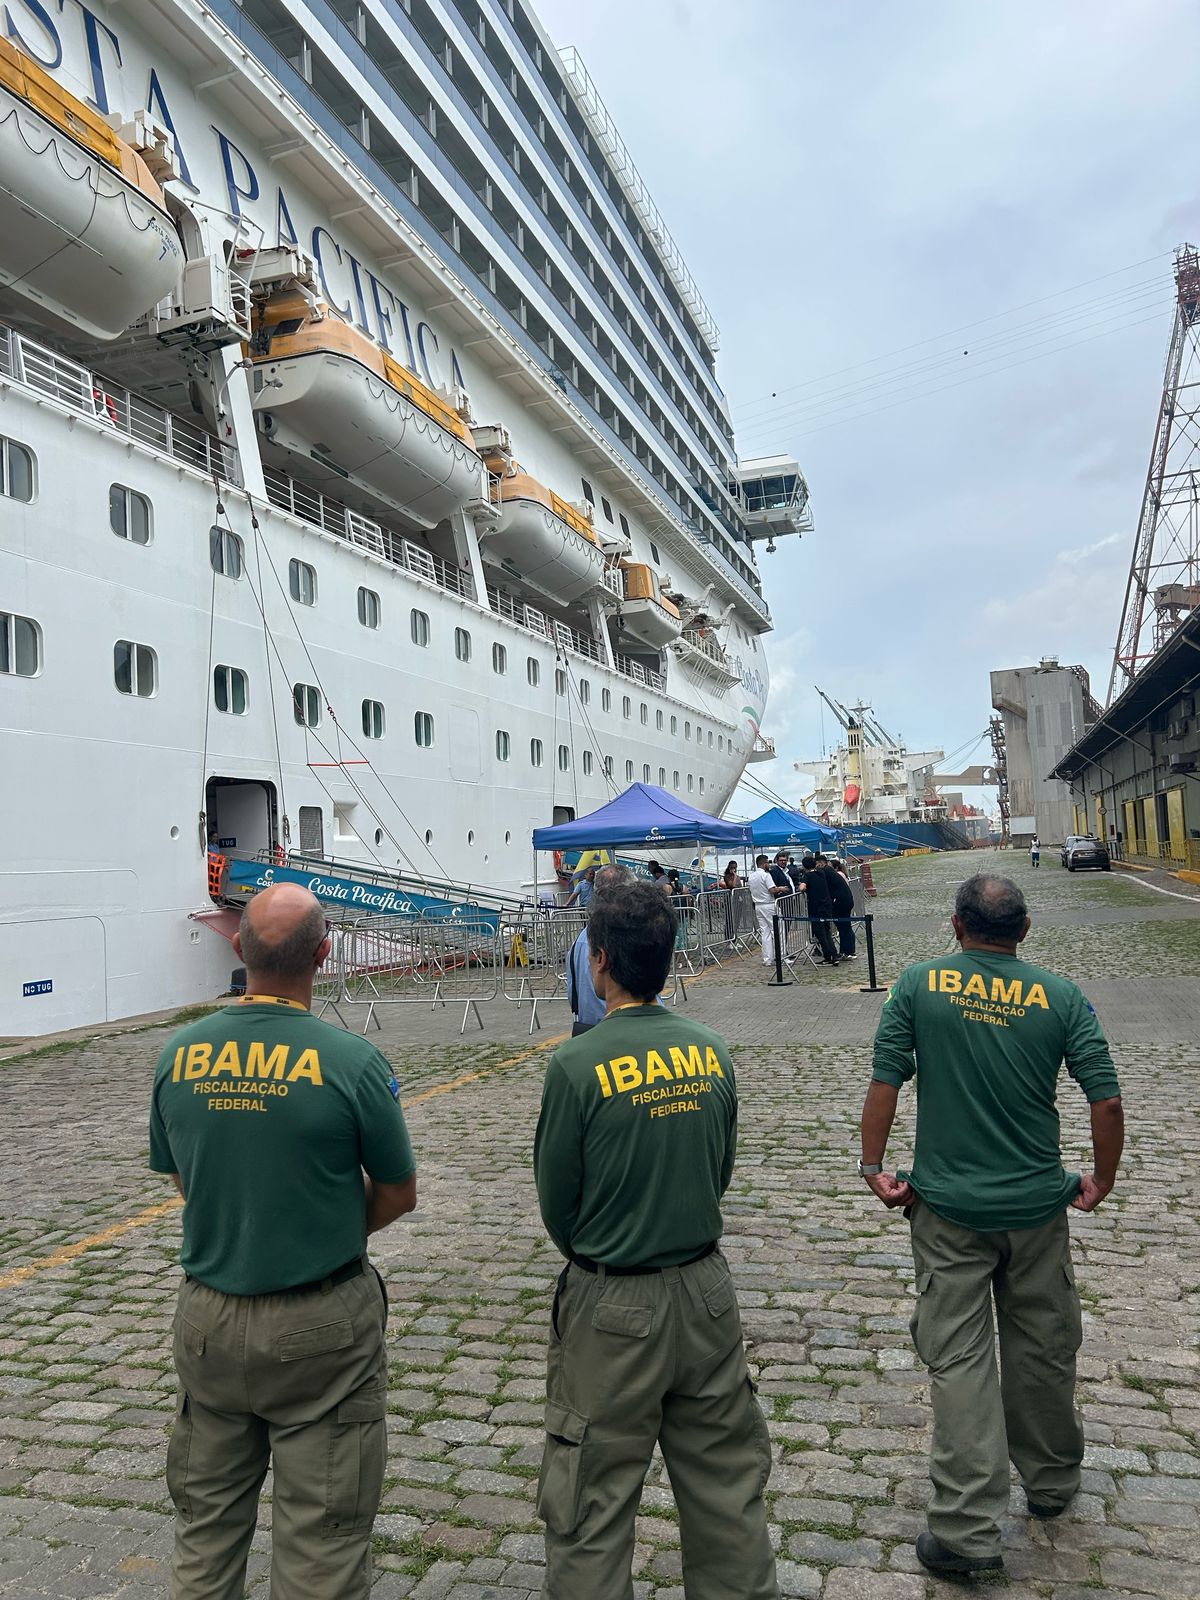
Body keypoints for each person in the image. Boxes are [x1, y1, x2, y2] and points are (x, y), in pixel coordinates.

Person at [149, 884, 418, 1600]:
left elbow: (185, 1178)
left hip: (207, 1319)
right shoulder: (351, 1062)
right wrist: (317, 1224)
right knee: (322, 1547)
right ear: (324, 956)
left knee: (204, 1534)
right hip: (319, 1325)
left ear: (238, 949)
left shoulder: (179, 1056)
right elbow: (397, 1191)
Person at [859, 872, 1123, 1579]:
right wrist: (1103, 1176)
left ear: (954, 925)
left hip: (947, 1210)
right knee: (1042, 1347)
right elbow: (1106, 1097)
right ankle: (1052, 1482)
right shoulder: (1060, 996)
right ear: (1026, 930)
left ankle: (969, 1529)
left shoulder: (916, 986)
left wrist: (873, 1165)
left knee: (961, 1361)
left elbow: (887, 1079)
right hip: (1037, 1207)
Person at [533, 880, 778, 1599]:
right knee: (726, 1483)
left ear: (598, 960)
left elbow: (558, 1202)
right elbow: (720, 1166)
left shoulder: (576, 1065)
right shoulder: (710, 1051)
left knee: (591, 1497)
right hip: (705, 1290)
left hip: (614, 1301)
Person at [566, 864, 632, 1034]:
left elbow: (573, 994)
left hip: (587, 1029)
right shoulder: (626, 935)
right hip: (622, 1031)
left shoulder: (579, 941)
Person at [747, 852, 787, 967]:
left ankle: (767, 958)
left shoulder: (752, 876)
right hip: (769, 904)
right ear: (764, 864)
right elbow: (772, 890)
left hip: (758, 905)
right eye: (768, 863)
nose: (769, 865)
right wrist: (781, 888)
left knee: (765, 933)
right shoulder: (766, 875)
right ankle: (782, 955)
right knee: (778, 930)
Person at [798, 853, 838, 965]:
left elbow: (802, 887)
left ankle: (828, 955)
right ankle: (834, 954)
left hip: (816, 907)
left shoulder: (807, 876)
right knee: (827, 931)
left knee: (820, 933)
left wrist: (801, 888)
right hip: (826, 905)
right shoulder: (821, 873)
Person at [816, 852, 856, 958]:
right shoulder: (830, 871)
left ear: (820, 863)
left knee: (843, 927)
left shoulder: (825, 872)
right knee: (845, 927)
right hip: (846, 900)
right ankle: (848, 950)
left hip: (841, 902)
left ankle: (847, 952)